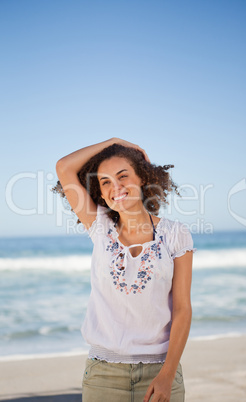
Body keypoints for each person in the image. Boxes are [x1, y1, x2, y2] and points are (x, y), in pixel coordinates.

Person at [53, 138, 196, 402]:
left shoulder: (175, 234)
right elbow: (64, 167)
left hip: (160, 371)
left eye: (122, 176)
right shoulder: (100, 227)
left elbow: (182, 309)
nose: (115, 187)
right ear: (100, 192)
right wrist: (114, 141)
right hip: (103, 375)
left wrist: (167, 374)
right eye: (105, 181)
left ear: (142, 178)